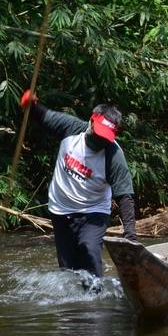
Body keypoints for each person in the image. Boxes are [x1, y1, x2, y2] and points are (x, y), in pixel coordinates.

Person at [20, 89, 137, 277]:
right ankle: (75, 304)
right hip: (60, 209)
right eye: (98, 133)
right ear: (91, 122)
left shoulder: (114, 156)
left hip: (93, 211)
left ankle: (96, 297)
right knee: (67, 268)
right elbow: (42, 116)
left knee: (89, 249)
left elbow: (125, 196)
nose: (100, 140)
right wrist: (31, 105)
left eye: (105, 137)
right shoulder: (71, 128)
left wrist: (130, 237)